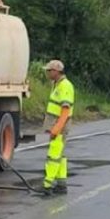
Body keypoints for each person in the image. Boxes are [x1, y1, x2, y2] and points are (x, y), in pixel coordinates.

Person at [42, 59, 75, 195]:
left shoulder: (65, 86)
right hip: (57, 126)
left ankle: (47, 185)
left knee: (53, 156)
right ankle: (61, 185)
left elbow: (65, 111)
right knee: (60, 156)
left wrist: (56, 129)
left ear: (56, 71)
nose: (47, 73)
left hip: (60, 127)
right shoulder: (56, 84)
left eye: (49, 71)